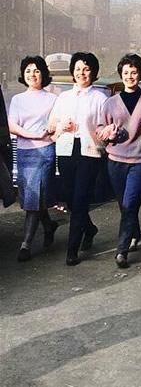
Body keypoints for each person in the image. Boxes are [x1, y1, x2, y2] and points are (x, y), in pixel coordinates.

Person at [48, 52, 109, 266]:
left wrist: (100, 135)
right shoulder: (63, 97)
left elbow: (104, 127)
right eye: (78, 69)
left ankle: (72, 251)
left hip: (89, 152)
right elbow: (51, 125)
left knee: (81, 198)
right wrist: (60, 127)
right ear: (72, 71)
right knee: (72, 199)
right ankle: (90, 228)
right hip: (65, 150)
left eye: (86, 69)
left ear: (93, 72)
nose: (82, 73)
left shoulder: (100, 98)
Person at [97, 54, 141, 268]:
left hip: (140, 160)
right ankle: (135, 232)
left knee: (130, 204)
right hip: (115, 161)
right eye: (126, 73)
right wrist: (107, 132)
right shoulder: (110, 103)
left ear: (140, 74)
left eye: (134, 72)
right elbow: (100, 129)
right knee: (124, 205)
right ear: (121, 75)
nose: (130, 76)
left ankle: (122, 251)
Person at [8, 56, 58, 261]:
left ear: (43, 74)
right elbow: (13, 125)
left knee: (34, 198)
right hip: (24, 151)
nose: (32, 75)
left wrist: (44, 134)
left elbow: (54, 125)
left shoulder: (53, 99)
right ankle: (49, 225)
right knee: (32, 197)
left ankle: (25, 245)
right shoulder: (18, 99)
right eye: (28, 71)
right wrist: (33, 134)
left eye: (36, 71)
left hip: (45, 151)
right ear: (23, 74)